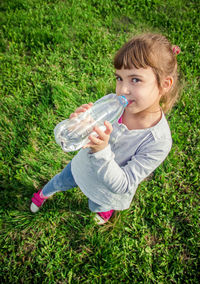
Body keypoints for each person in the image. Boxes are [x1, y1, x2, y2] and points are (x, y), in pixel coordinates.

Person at [30, 33, 181, 225]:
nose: (123, 90)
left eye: (135, 80)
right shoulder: (113, 103)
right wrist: (79, 125)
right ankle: (44, 193)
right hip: (82, 167)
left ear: (164, 84)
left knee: (98, 204)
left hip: (106, 190)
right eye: (119, 78)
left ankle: (103, 210)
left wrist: (101, 150)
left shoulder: (158, 141)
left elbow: (124, 184)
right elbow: (86, 130)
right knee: (61, 180)